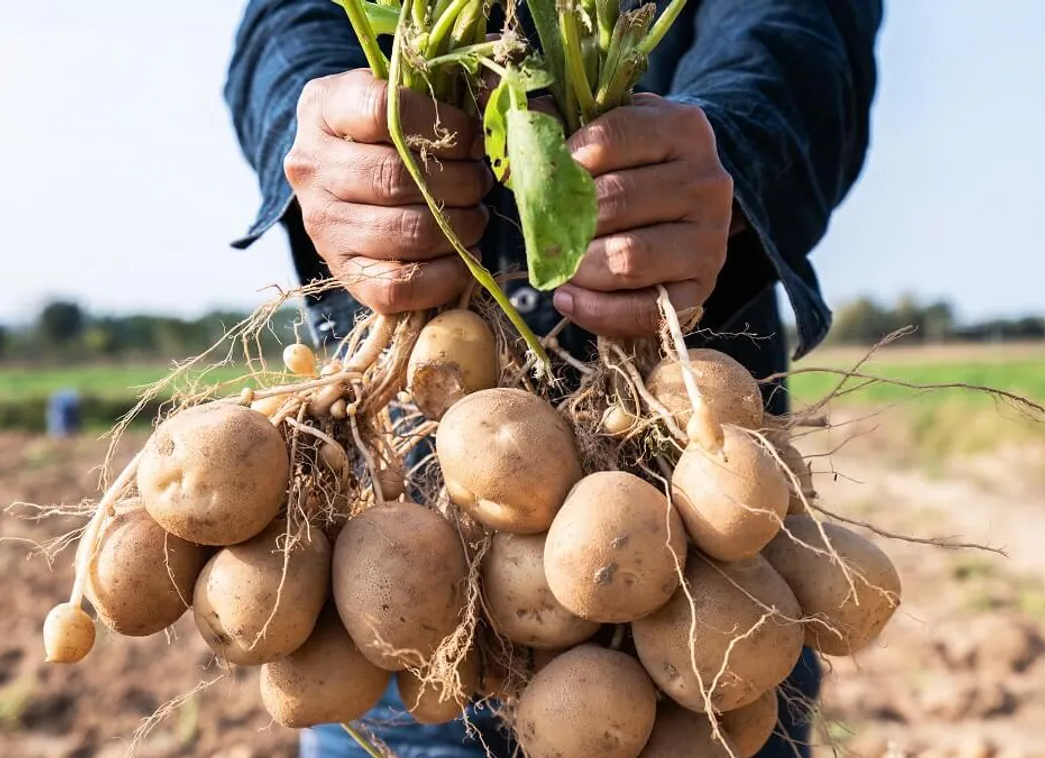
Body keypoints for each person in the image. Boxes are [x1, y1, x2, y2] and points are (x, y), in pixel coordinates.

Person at [224, 1, 882, 755]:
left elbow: (793, 26)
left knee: (718, 677)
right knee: (404, 681)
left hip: (682, 511)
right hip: (403, 546)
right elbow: (288, 21)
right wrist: (325, 123)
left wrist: (733, 147)